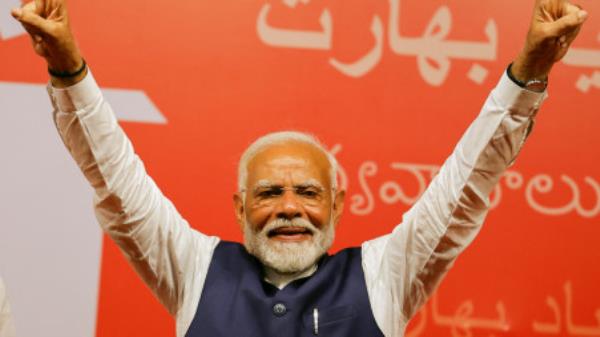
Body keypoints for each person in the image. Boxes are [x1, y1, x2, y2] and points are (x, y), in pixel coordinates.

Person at [10, 0, 588, 336]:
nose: (289, 207)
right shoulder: (191, 266)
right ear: (240, 208)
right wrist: (66, 65)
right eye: (269, 193)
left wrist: (529, 71)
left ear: (337, 204)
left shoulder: (386, 272)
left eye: (307, 192)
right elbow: (115, 175)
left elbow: (466, 184)